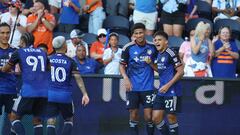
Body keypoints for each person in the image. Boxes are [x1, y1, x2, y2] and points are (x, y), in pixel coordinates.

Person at [0, 31, 49, 135]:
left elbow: (5, 69)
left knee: (14, 117)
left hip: (29, 90)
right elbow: (47, 68)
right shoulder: (42, 52)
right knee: (37, 120)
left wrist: (3, 68)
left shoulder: (19, 52)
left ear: (22, 41)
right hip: (44, 91)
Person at [47, 36, 89, 135]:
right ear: (64, 46)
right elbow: (78, 78)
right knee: (69, 119)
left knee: (50, 120)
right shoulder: (70, 61)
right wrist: (85, 94)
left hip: (50, 94)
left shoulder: (48, 59)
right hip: (64, 95)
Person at [119, 23, 157, 135]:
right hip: (133, 87)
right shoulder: (128, 48)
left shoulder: (153, 47)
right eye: (136, 33)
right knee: (133, 114)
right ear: (133, 35)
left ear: (145, 32)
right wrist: (125, 78)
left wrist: (151, 64)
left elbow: (159, 64)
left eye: (141, 32)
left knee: (149, 116)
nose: (139, 35)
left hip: (148, 87)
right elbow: (121, 66)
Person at [149, 30, 184, 135]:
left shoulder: (171, 52)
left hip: (172, 90)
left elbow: (181, 71)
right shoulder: (159, 54)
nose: (156, 42)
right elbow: (160, 70)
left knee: (171, 116)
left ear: (166, 42)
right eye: (155, 40)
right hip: (162, 90)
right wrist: (151, 63)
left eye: (159, 40)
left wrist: (168, 85)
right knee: (155, 118)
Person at [0, 23, 17, 135]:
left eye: (7, 33)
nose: (5, 35)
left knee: (14, 120)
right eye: (2, 33)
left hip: (11, 90)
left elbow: (21, 70)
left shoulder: (15, 51)